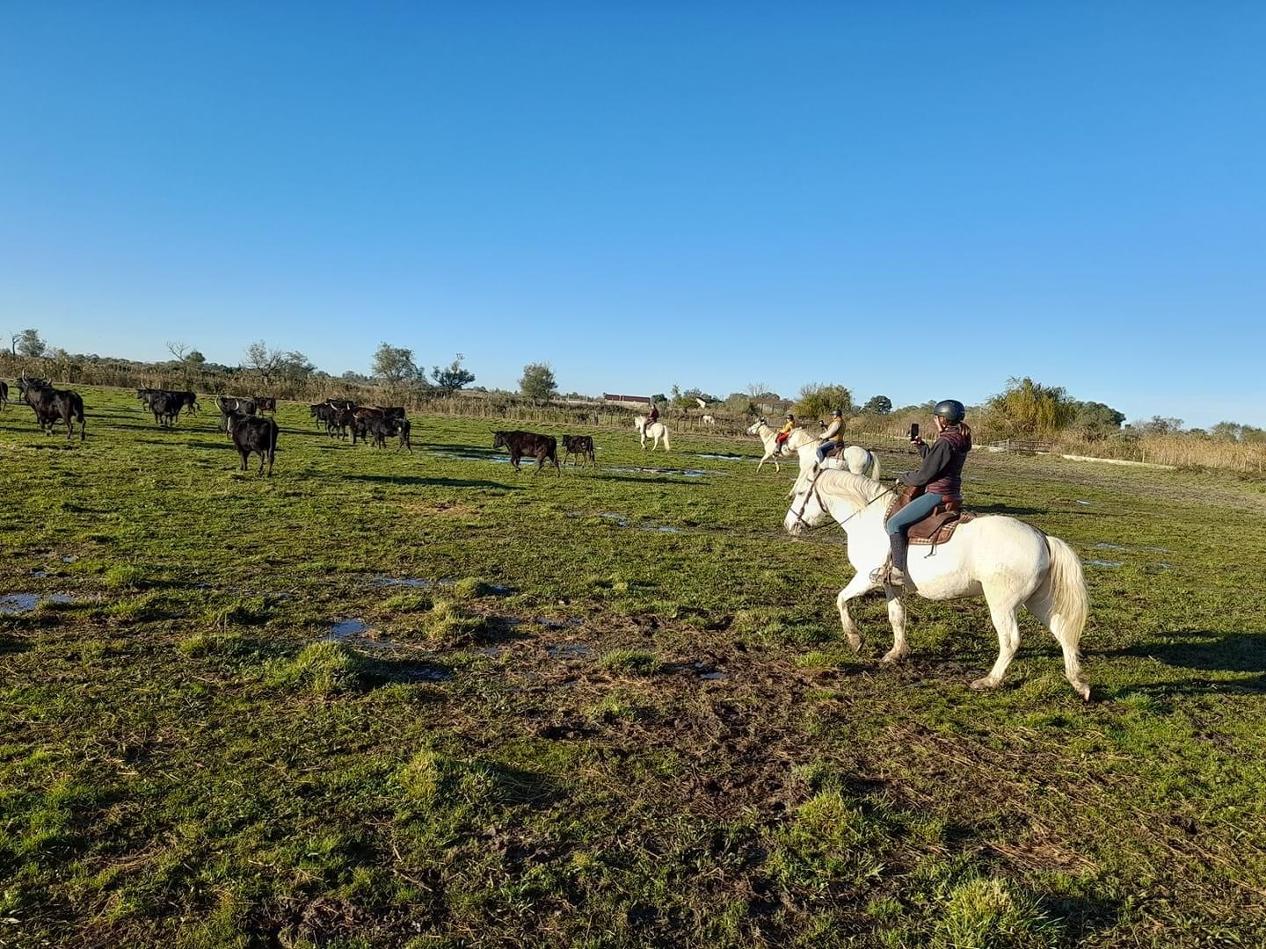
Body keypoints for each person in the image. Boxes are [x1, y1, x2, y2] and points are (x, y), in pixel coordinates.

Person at [872, 399, 972, 586]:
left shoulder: (945, 441)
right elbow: (937, 463)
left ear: (943, 419)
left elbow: (924, 476)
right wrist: (921, 446)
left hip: (937, 494)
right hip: (953, 492)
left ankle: (897, 572)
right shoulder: (959, 438)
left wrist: (904, 477)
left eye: (936, 418)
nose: (935, 421)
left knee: (894, 523)